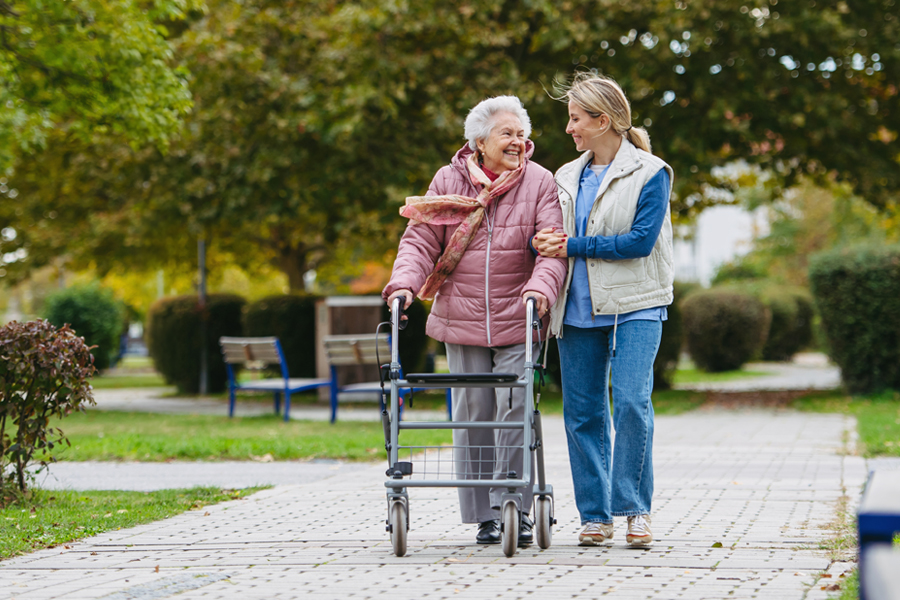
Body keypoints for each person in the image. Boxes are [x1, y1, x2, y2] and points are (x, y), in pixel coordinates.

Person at [383, 95, 567, 546]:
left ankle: (514, 507)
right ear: (479, 142)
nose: (518, 142)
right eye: (507, 134)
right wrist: (404, 283)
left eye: (522, 135)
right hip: (461, 314)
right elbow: (421, 238)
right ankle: (486, 514)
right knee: (474, 414)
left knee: (515, 409)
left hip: (519, 314)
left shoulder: (539, 182)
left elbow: (552, 250)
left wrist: (541, 291)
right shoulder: (449, 179)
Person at [532, 73, 674, 547]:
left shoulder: (652, 172)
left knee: (632, 402)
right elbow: (553, 234)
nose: (569, 128)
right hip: (578, 306)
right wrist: (544, 242)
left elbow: (639, 242)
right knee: (583, 413)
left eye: (576, 118)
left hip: (637, 303)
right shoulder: (564, 177)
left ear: (603, 120)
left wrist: (570, 244)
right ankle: (595, 515)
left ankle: (634, 509)